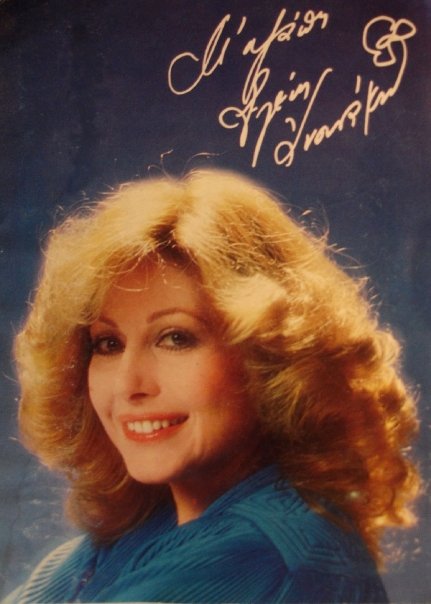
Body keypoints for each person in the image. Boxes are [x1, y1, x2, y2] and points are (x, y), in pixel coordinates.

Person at [7, 169, 419, 603]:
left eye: (175, 338)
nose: (129, 384)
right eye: (108, 344)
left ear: (268, 357)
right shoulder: (146, 530)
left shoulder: (263, 554)